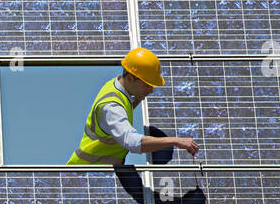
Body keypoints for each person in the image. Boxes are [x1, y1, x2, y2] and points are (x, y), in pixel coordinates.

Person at [67, 47, 199, 166]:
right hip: (87, 176)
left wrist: (137, 99)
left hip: (100, 176)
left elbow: (122, 110)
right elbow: (133, 142)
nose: (151, 90)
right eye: (147, 85)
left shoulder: (116, 86)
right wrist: (176, 141)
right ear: (130, 78)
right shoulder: (111, 107)